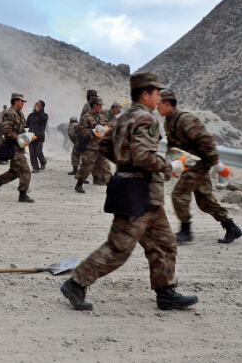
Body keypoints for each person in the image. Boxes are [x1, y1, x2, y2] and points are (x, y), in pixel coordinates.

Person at [60, 72, 199, 312]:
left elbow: (105, 145)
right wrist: (170, 166)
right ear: (145, 94)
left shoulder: (124, 117)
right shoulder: (146, 119)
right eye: (156, 93)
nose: (159, 97)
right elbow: (143, 157)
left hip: (142, 192)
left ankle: (166, 293)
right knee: (119, 247)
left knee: (163, 244)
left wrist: (124, 163)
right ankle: (76, 283)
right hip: (139, 191)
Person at [157, 89, 241, 244]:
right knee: (205, 201)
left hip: (199, 164)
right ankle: (232, 227)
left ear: (167, 103)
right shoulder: (169, 121)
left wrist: (216, 162)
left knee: (179, 194)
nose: (157, 107)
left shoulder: (184, 119)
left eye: (159, 104)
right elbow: (173, 146)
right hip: (189, 164)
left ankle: (185, 231)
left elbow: (206, 139)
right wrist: (173, 165)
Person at [0, 93, 35, 202]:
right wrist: (17, 139)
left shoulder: (20, 114)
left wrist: (27, 137)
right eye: (22, 101)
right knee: (25, 170)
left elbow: (21, 129)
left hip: (19, 146)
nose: (23, 104)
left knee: (14, 172)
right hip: (13, 146)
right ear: (16, 101)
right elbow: (5, 129)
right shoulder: (9, 114)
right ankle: (23, 194)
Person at [74, 96, 111, 192]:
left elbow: (109, 127)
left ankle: (110, 186)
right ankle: (79, 184)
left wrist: (106, 129)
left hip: (101, 146)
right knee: (86, 166)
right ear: (94, 105)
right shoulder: (86, 117)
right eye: (99, 105)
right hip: (91, 147)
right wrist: (92, 132)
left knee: (106, 167)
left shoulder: (102, 117)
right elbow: (81, 130)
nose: (101, 107)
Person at [26, 100, 48, 173]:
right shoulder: (31, 115)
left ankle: (43, 161)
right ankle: (35, 167)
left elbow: (43, 121)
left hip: (39, 137)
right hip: (31, 136)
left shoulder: (44, 115)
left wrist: (38, 112)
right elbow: (27, 124)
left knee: (38, 152)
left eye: (37, 104)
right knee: (32, 153)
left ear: (41, 106)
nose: (35, 104)